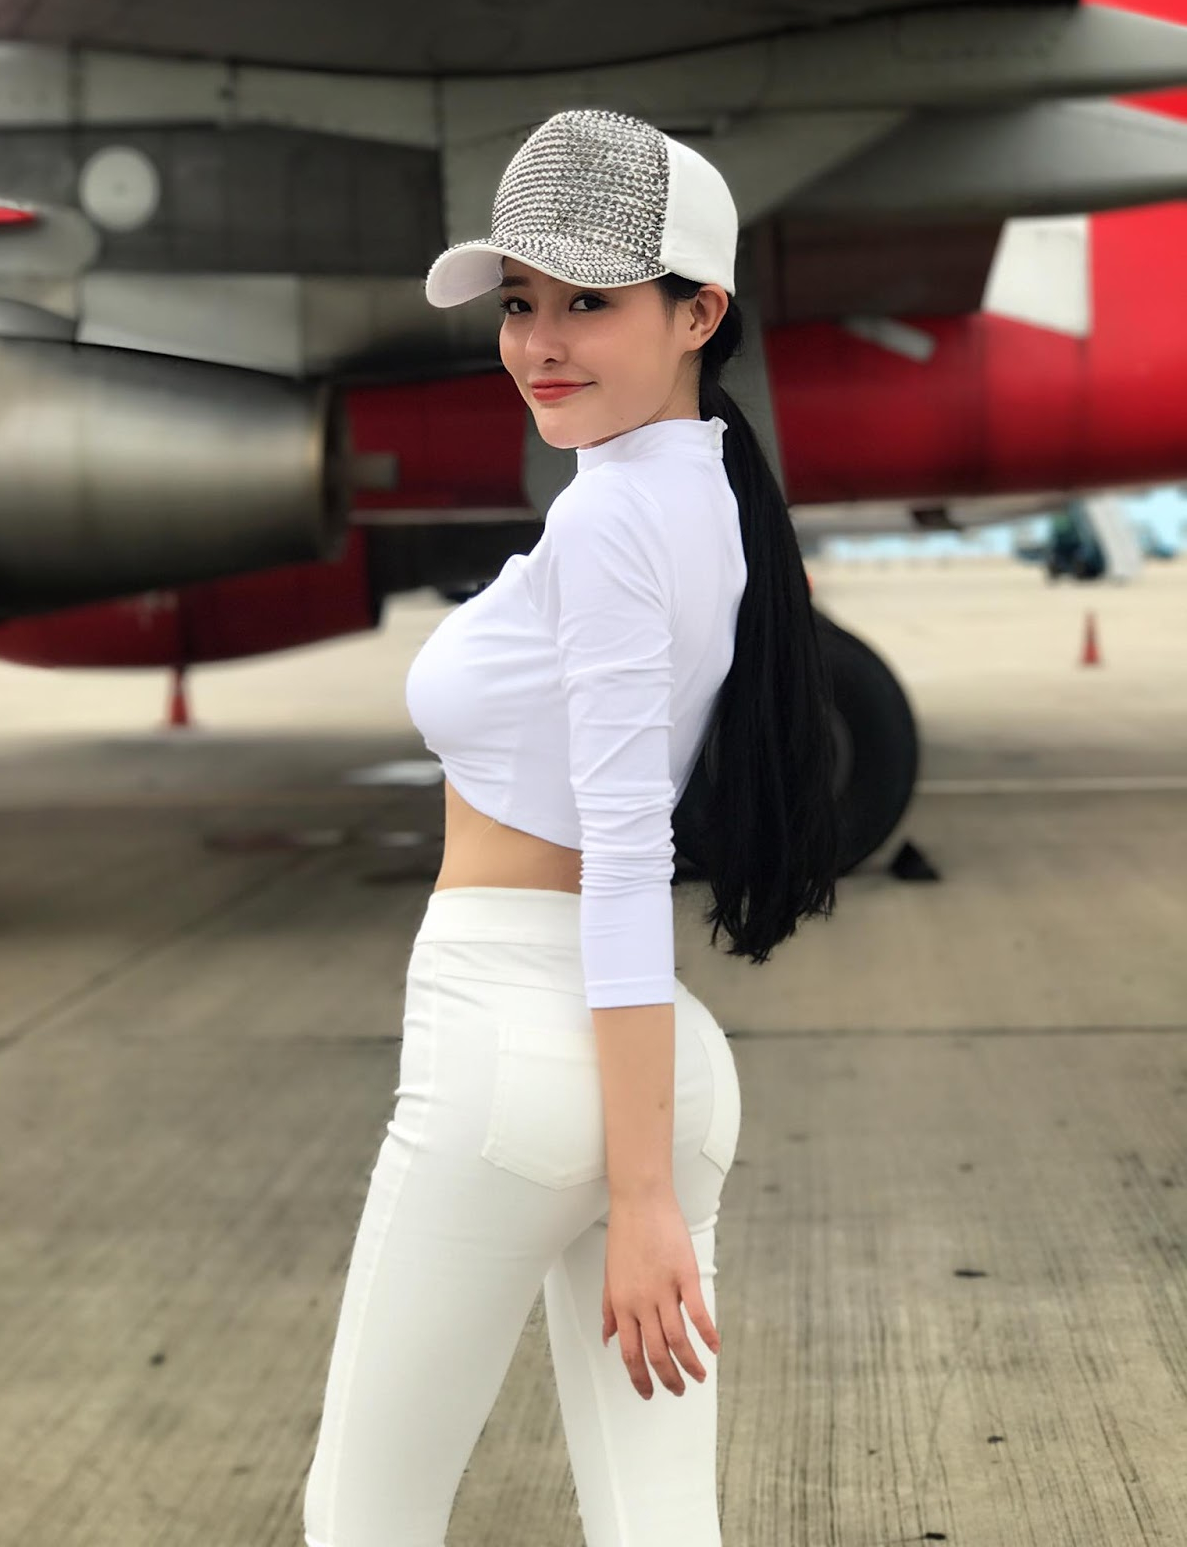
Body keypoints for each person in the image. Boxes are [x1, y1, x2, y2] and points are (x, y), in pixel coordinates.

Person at [303, 107, 839, 1547]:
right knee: (658, 1526)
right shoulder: (707, 494)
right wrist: (645, 1171)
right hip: (639, 1067)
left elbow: (621, 848)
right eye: (521, 302)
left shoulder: (609, 523)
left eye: (589, 303)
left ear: (696, 313)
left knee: (365, 1519)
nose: (538, 341)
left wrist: (643, 1199)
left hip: (517, 1062)